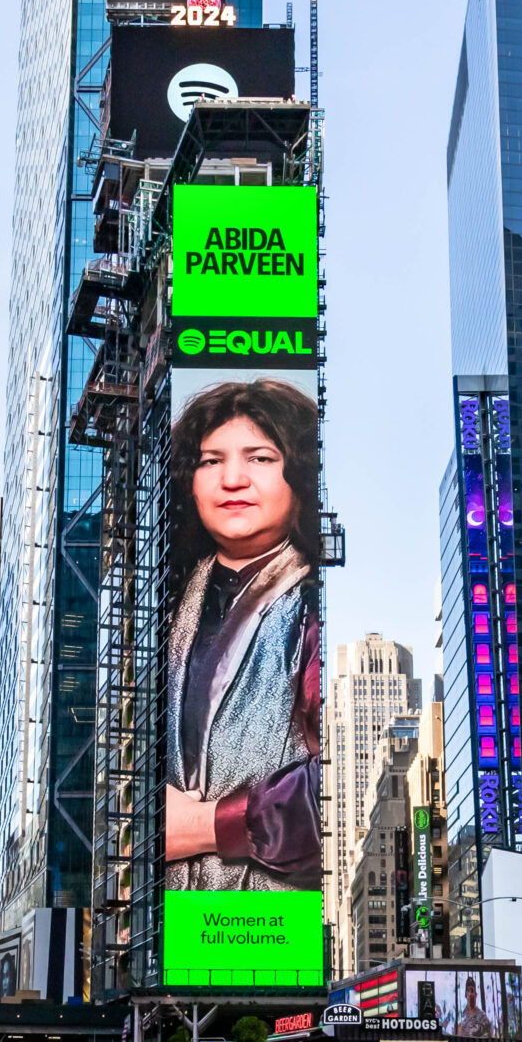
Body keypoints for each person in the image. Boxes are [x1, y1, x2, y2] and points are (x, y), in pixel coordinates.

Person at [161, 380, 323, 895]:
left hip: (275, 926)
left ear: (299, 474)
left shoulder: (315, 604)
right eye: (210, 461)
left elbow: (342, 782)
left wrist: (211, 824)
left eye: (259, 458)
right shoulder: (166, 606)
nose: (232, 479)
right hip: (169, 925)